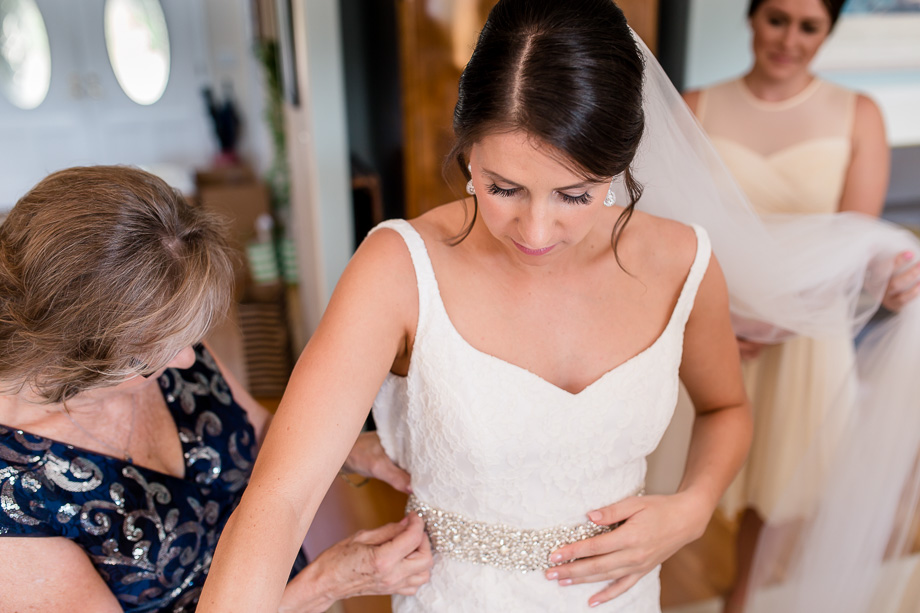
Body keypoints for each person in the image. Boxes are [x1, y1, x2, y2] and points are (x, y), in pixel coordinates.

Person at [199, 1, 754, 611]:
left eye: (575, 194)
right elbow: (278, 502)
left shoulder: (685, 262)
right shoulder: (397, 269)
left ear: (620, 165)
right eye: (503, 188)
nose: (536, 231)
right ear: (467, 153)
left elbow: (726, 408)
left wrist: (693, 509)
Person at [0, 166, 432, 612]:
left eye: (187, 336)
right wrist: (323, 584)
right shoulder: (12, 501)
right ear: (73, 351)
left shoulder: (167, 338)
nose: (187, 358)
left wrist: (357, 451)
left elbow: (260, 430)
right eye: (150, 353)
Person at [682, 2, 920, 610]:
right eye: (776, 19)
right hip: (714, 327)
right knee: (685, 471)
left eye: (808, 25)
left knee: (779, 483)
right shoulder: (696, 106)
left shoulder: (858, 114)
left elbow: (855, 241)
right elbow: (676, 232)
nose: (789, 39)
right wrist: (719, 324)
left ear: (827, 33)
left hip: (805, 335)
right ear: (751, 19)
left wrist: (889, 281)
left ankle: (743, 595)